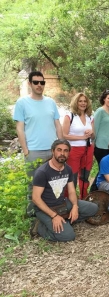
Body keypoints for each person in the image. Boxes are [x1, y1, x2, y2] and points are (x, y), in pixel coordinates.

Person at [13, 71, 63, 215]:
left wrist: (61, 146)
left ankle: (51, 211)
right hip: (33, 151)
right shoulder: (22, 103)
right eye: (36, 82)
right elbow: (20, 128)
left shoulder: (50, 102)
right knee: (33, 184)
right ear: (30, 83)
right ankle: (32, 215)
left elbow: (57, 125)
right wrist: (26, 150)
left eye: (42, 82)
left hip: (52, 150)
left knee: (53, 182)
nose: (39, 85)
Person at [30, 139, 98, 242]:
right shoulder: (43, 172)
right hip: (46, 209)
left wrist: (75, 206)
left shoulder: (68, 169)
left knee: (93, 208)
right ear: (53, 151)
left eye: (66, 150)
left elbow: (71, 191)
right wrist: (54, 216)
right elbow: (35, 199)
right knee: (68, 236)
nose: (62, 153)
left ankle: (64, 220)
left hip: (62, 204)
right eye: (59, 150)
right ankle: (39, 226)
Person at [62, 92, 94, 199]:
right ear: (76, 102)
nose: (83, 103)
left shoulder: (90, 117)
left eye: (85, 101)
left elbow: (94, 135)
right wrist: (82, 137)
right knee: (73, 176)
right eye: (80, 101)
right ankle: (69, 199)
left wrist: (91, 133)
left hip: (88, 148)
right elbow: (64, 135)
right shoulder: (69, 116)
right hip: (74, 150)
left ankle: (84, 197)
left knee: (85, 176)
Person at [93, 90, 109, 169]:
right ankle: (96, 182)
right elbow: (94, 128)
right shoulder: (100, 111)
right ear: (104, 99)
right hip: (100, 145)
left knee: (107, 169)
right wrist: (93, 144)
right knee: (104, 169)